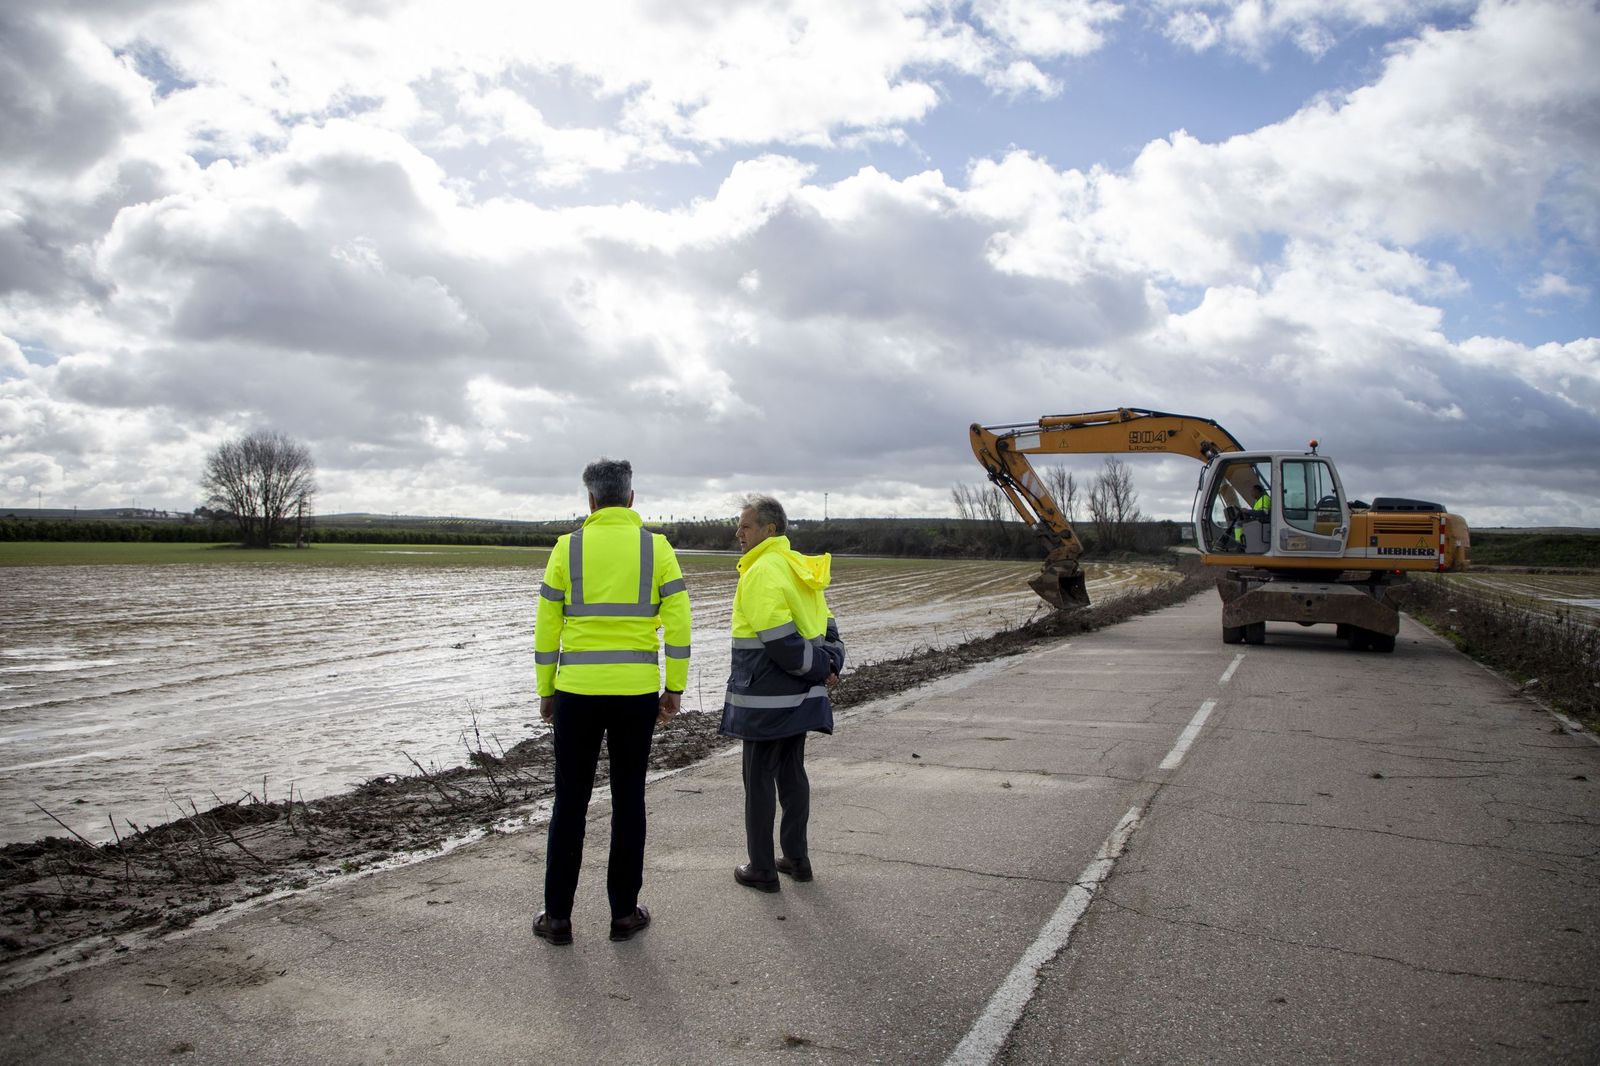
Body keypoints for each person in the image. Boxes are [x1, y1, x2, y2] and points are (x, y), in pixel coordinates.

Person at [532, 458, 691, 945]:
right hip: (635, 693)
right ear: (631, 499)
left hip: (576, 692)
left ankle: (557, 918)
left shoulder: (567, 548)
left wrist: (546, 690)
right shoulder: (658, 548)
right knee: (629, 799)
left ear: (591, 502)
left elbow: (547, 626)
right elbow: (680, 625)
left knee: (571, 802)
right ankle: (623, 914)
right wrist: (674, 689)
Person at [719, 494, 844, 892]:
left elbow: (780, 642)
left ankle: (762, 868)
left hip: (765, 699)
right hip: (802, 696)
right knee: (792, 775)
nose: (738, 533)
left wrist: (820, 667)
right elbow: (829, 629)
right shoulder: (798, 567)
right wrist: (829, 665)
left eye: (746, 526)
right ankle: (796, 858)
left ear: (768, 530)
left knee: (758, 782)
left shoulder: (762, 570)